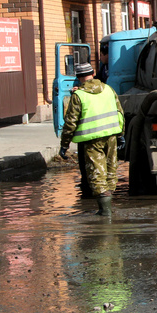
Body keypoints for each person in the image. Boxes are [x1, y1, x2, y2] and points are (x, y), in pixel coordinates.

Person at [59, 63, 125, 216]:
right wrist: (121, 135)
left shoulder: (79, 95)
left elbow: (70, 122)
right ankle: (108, 207)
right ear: (93, 73)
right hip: (111, 136)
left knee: (97, 173)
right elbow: (119, 113)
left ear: (78, 78)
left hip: (92, 140)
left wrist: (64, 145)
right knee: (110, 171)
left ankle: (105, 212)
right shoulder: (109, 89)